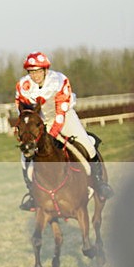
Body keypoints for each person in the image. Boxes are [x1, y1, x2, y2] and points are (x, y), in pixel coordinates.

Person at [15, 51, 114, 211]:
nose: (35, 75)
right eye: (32, 72)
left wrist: (52, 134)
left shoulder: (59, 81)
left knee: (87, 145)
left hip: (64, 116)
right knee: (24, 155)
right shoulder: (22, 86)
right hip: (40, 121)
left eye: (39, 71)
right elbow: (22, 109)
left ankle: (100, 182)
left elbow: (60, 114)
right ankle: (33, 194)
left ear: (45, 70)